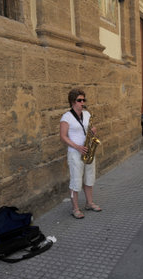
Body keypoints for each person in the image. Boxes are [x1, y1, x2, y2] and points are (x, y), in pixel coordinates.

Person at [60, 88, 102, 219]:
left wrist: (93, 130)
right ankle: (75, 209)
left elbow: (89, 128)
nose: (82, 102)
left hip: (88, 150)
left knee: (90, 177)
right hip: (75, 152)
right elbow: (63, 136)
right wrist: (77, 147)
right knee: (76, 180)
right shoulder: (66, 117)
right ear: (73, 101)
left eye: (84, 100)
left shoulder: (87, 114)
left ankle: (89, 203)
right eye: (79, 100)